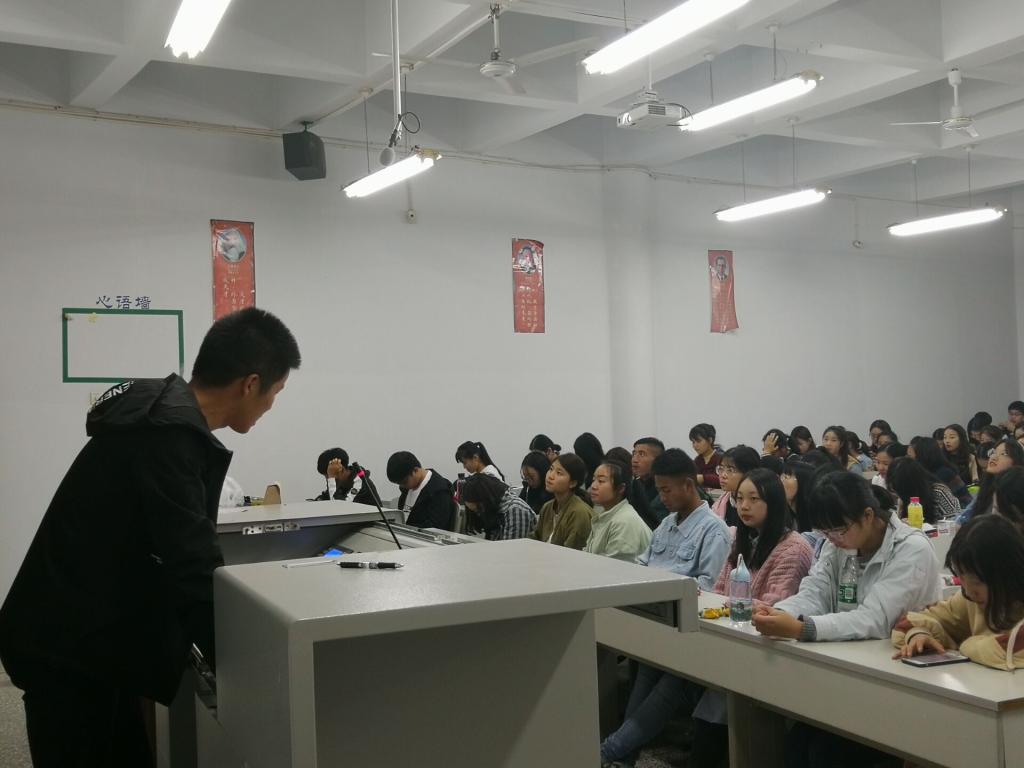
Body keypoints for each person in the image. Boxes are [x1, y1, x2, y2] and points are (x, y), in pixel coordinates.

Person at [0, 307, 300, 767]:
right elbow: (191, 562)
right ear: (250, 384)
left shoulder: (159, 417)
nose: (270, 407)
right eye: (275, 392)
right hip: (69, 646)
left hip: (90, 636)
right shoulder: (169, 437)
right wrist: (247, 669)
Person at [753, 470, 941, 768]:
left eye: (839, 530)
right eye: (825, 533)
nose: (832, 539)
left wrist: (803, 628)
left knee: (826, 752)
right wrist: (780, 612)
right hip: (848, 667)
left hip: (900, 680)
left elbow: (874, 619)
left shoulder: (910, 548)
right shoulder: (838, 542)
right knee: (798, 741)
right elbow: (815, 592)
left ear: (868, 515)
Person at [600, 449, 730, 766]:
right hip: (657, 622)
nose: (661, 497)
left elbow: (707, 588)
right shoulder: (667, 524)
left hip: (690, 631)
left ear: (688, 485)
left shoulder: (713, 530)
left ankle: (607, 753)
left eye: (666, 490)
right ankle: (620, 758)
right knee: (643, 682)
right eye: (658, 490)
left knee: (667, 688)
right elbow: (643, 565)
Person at [697, 469, 814, 766]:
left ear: (773, 502)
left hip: (767, 645)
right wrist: (718, 603)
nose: (744, 506)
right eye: (739, 499)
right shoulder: (740, 538)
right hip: (732, 634)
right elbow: (720, 589)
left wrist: (729, 605)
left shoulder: (794, 547)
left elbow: (775, 604)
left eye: (753, 499)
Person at [893, 514, 1024, 670]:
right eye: (961, 577)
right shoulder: (969, 599)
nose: (969, 591)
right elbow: (909, 622)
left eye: (977, 581)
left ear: (1008, 573)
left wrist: (966, 644)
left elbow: (1006, 652)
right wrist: (919, 634)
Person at [583, 459, 651, 562]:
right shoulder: (605, 514)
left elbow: (617, 567)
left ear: (621, 488)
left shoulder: (624, 521)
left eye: (601, 481)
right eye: (593, 480)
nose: (593, 486)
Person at [531, 453, 593, 549]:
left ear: (572, 483)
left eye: (559, 473)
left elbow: (571, 552)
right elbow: (535, 538)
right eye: (551, 469)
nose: (550, 476)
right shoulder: (547, 507)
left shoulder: (579, 512)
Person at [958, 437, 1024, 523]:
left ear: (1016, 461)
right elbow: (964, 517)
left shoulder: (1016, 491)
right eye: (993, 452)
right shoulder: (987, 487)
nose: (994, 457)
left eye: (1003, 454)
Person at [386, 451, 456, 531]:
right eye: (399, 483)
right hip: (404, 533)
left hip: (422, 536)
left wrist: (406, 529)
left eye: (404, 482)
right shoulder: (407, 488)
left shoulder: (439, 491)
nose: (402, 486)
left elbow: (436, 527)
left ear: (415, 470)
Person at [461, 473, 537, 540]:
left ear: (486, 501)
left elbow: (512, 550)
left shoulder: (516, 511)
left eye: (478, 510)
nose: (478, 514)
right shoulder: (494, 509)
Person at [886, 457, 960, 524]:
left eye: (900, 489)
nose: (898, 494)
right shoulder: (903, 498)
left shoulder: (939, 491)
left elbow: (954, 521)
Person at [911, 436, 971, 507]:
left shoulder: (945, 473)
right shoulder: (922, 472)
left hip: (957, 509)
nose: (914, 458)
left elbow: (965, 499)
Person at [711, 445, 761, 528]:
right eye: (721, 468)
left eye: (730, 470)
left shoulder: (757, 504)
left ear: (748, 472)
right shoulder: (722, 502)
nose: (723, 475)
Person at [312, 447, 379, 505]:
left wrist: (332, 478)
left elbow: (340, 506)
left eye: (329, 475)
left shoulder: (360, 482)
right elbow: (327, 496)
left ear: (341, 469)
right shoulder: (341, 482)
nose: (327, 479)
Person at [628, 436, 669, 529]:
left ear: (657, 460)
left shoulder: (666, 489)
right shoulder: (634, 485)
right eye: (634, 454)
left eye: (641, 454)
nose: (634, 460)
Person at [689, 423, 722, 489]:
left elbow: (722, 480)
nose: (695, 445)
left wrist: (703, 478)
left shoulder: (721, 458)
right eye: (693, 442)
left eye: (698, 441)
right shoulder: (697, 460)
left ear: (710, 440)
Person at [519, 450, 552, 514]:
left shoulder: (551, 491)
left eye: (532, 477)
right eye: (526, 477)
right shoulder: (527, 488)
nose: (529, 481)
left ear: (542, 473)